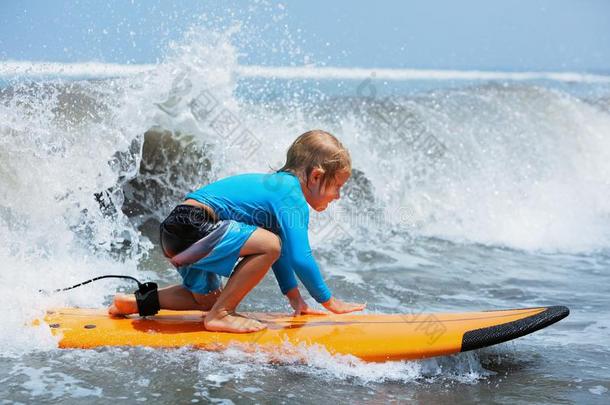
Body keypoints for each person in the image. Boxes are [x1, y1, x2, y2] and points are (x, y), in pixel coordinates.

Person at [108, 130, 366, 332]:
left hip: (176, 232)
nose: (338, 196)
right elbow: (300, 256)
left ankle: (133, 303)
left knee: (206, 300)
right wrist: (328, 301)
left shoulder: (278, 190)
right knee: (270, 244)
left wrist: (296, 300)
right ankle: (221, 315)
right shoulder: (291, 194)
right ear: (317, 177)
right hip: (193, 225)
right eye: (337, 186)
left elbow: (283, 255)